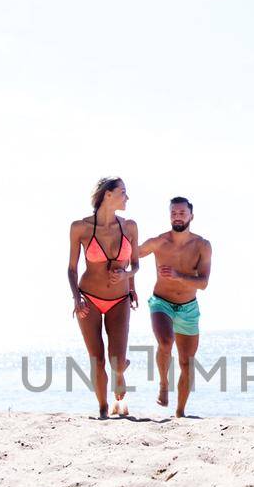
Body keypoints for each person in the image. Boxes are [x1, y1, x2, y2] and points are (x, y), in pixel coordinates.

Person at [67, 177, 139, 418]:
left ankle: (120, 372)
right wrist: (77, 298)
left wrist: (129, 281)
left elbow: (135, 265)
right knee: (97, 359)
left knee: (116, 362)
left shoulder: (129, 227)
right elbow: (72, 269)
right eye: (123, 192)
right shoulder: (80, 228)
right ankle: (103, 410)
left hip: (120, 300)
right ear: (107, 195)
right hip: (89, 299)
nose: (127, 198)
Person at [138, 196, 211, 417]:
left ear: (191, 216)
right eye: (173, 213)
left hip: (188, 307)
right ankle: (163, 383)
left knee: (187, 363)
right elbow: (130, 253)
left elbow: (204, 283)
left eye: (181, 213)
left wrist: (179, 276)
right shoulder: (159, 242)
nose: (177, 216)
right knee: (165, 341)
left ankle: (180, 412)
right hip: (161, 302)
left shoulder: (202, 245)